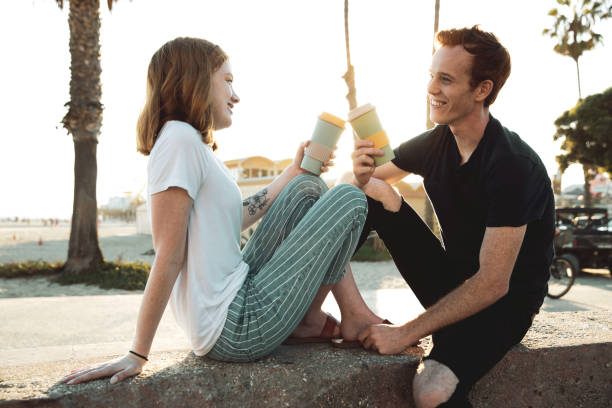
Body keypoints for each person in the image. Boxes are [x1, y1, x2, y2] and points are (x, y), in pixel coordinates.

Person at [60, 37, 384, 386]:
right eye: (227, 80)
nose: (236, 94)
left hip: (237, 298)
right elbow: (168, 254)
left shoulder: (191, 144)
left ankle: (308, 319)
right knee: (350, 198)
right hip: (235, 325)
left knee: (307, 188)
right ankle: (354, 314)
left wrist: (294, 171)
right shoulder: (178, 141)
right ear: (195, 81)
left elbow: (231, 219)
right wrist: (138, 353)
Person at [351, 26, 555, 407]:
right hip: (451, 279)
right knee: (368, 191)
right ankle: (335, 314)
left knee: (431, 391)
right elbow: (364, 183)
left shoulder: (512, 164)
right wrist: (361, 170)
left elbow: (494, 283)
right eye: (431, 76)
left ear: (482, 90)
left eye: (446, 79)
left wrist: (405, 332)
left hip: (504, 303)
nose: (432, 89)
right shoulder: (437, 141)